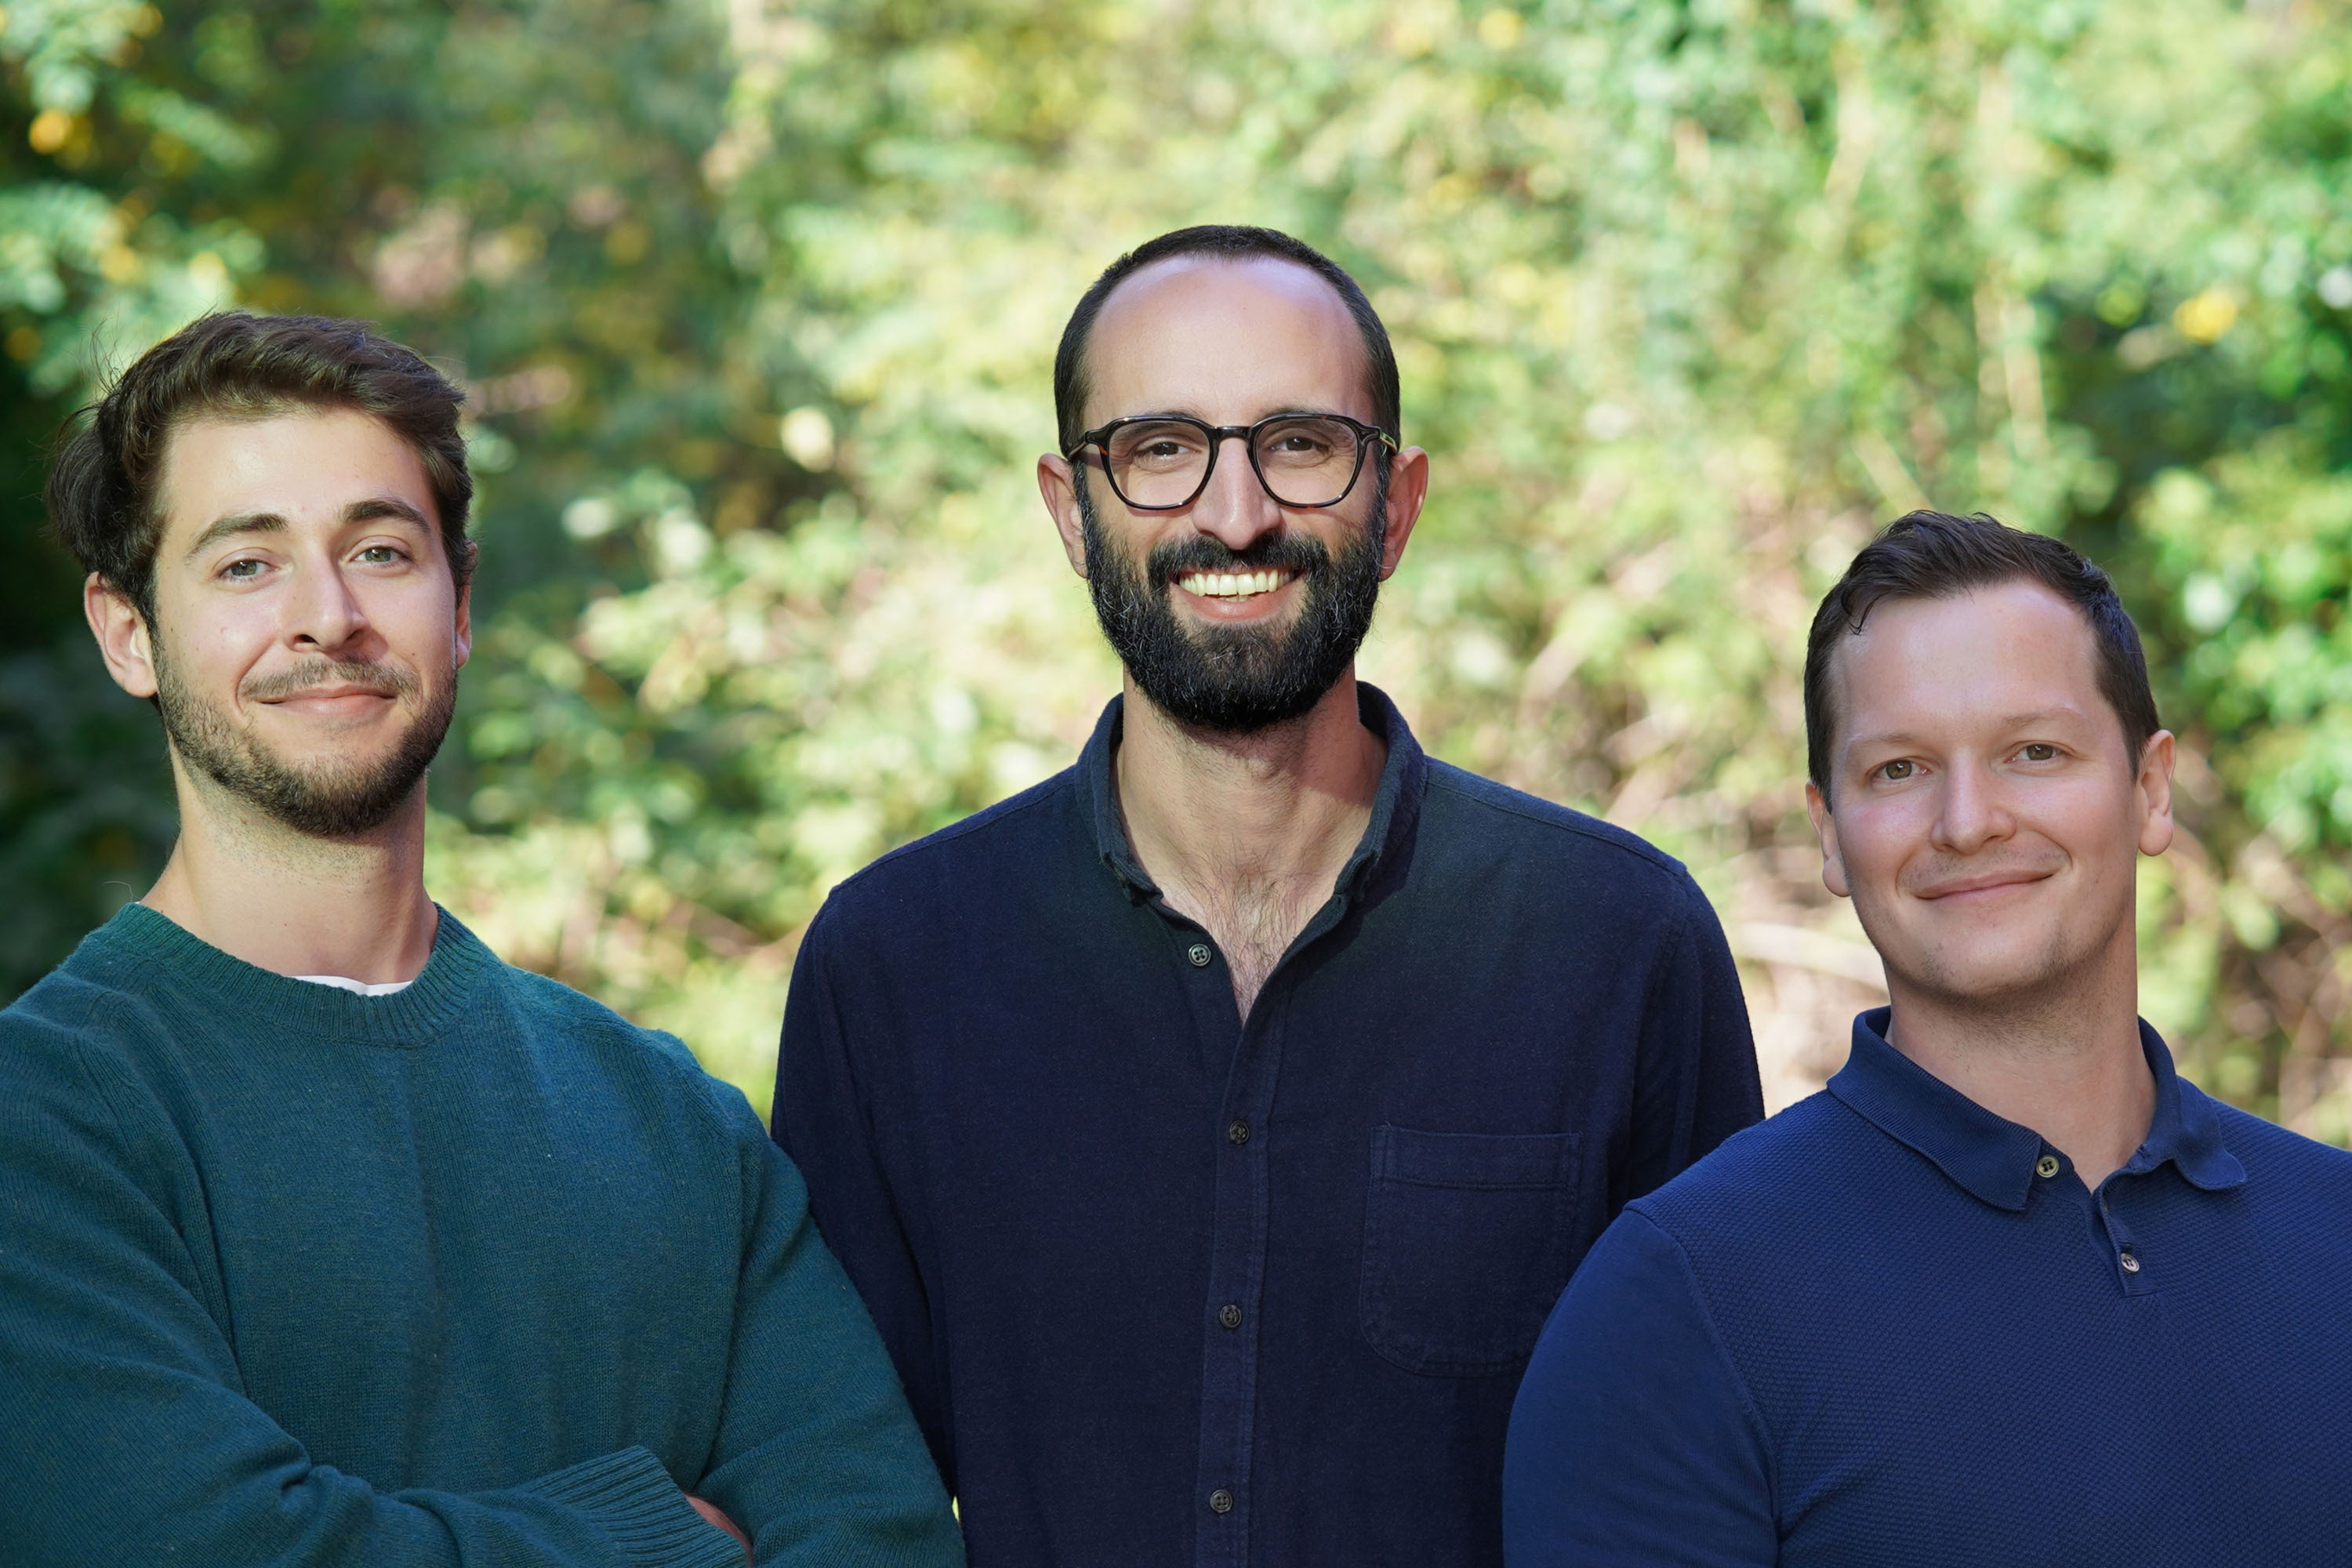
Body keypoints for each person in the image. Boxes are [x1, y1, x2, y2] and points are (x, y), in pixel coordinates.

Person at [772, 224, 1764, 1568]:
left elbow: (1707, 1490)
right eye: (1160, 449)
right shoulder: (893, 969)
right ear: (1071, 511)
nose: (1234, 515)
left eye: (1300, 444)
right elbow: (838, 1502)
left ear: (1396, 505)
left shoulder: (1621, 948)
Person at [0, 312, 964, 1568]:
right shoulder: (44, 1117)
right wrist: (658, 1544)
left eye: (380, 551)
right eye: (246, 565)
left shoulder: (675, 1121)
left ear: (458, 605)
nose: (328, 615)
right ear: (129, 631)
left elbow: (883, 1538)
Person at [1502, 510, 2352, 1565]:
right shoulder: (1679, 1306)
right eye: (1899, 769)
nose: (1968, 821)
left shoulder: (2336, 1234)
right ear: (1828, 832)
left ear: (2150, 789)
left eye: (2034, 752)